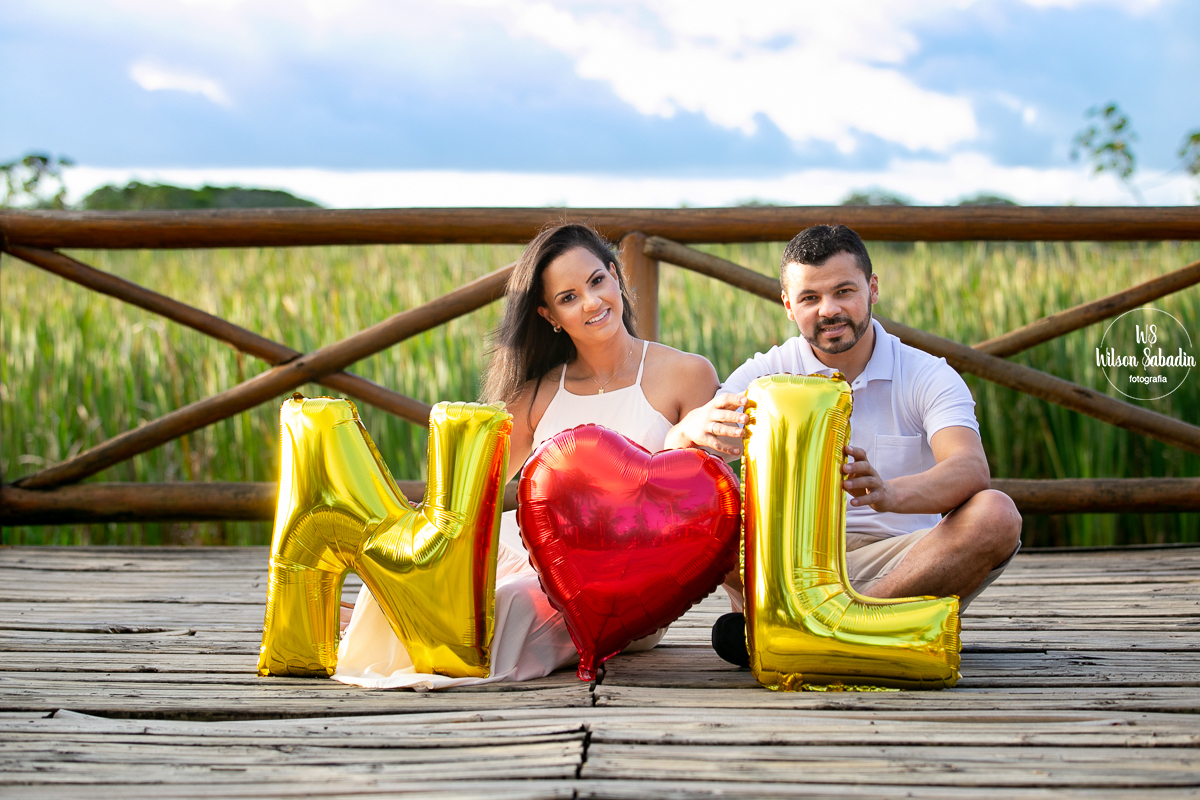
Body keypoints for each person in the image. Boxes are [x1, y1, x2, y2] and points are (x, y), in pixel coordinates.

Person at [334, 222, 721, 689]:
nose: (593, 303)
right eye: (569, 297)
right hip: (529, 551)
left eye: (597, 281)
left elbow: (700, 500)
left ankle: (427, 648)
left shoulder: (686, 373)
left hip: (624, 579)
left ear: (616, 276)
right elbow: (474, 488)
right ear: (550, 315)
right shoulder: (538, 392)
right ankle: (399, 632)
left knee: (512, 602)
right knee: (417, 583)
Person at [664, 224, 1023, 667]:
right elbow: (678, 471)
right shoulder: (762, 375)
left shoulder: (927, 374)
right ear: (788, 306)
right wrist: (687, 430)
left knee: (997, 514)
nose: (829, 310)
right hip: (786, 566)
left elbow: (970, 467)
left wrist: (891, 494)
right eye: (810, 298)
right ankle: (857, 633)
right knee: (695, 509)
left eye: (844, 291)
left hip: (903, 565)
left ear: (872, 289)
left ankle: (815, 629)